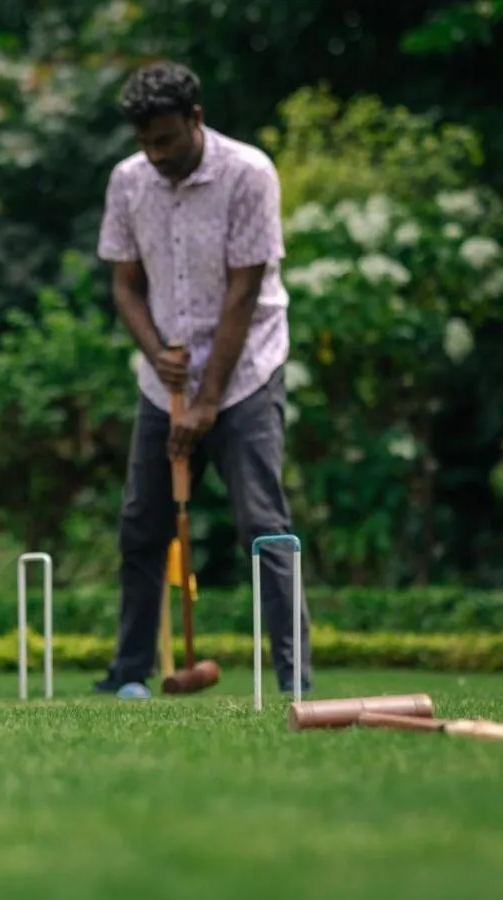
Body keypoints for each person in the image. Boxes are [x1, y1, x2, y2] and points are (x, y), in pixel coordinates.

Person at [93, 60, 312, 700]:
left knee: (263, 524)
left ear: (196, 118)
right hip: (164, 383)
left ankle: (295, 679)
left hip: (245, 376)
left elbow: (245, 291)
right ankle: (127, 674)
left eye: (166, 139)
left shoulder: (249, 173)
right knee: (141, 526)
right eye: (144, 142)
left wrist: (209, 400)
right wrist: (157, 353)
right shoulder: (128, 182)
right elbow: (124, 283)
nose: (155, 154)